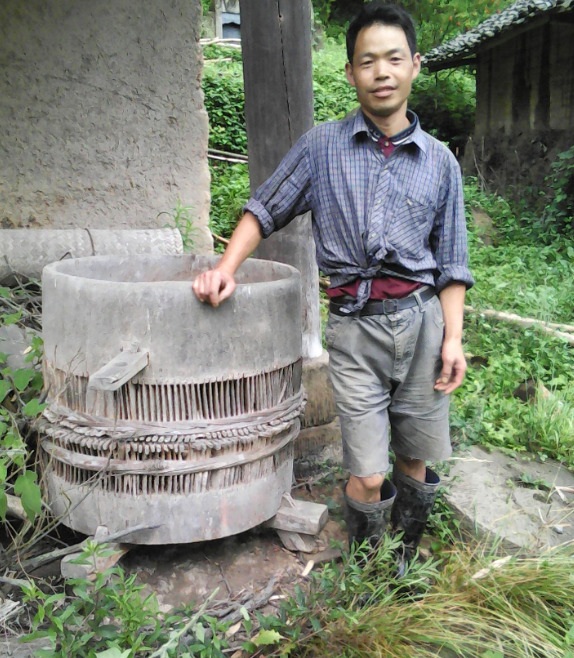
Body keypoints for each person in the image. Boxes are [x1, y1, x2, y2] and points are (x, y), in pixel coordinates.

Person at [193, 1, 473, 574]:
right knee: (368, 473)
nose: (382, 72)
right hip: (355, 329)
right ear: (349, 72)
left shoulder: (441, 162)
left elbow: (452, 263)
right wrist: (226, 267)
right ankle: (368, 570)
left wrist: (453, 339)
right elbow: (265, 207)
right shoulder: (322, 147)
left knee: (414, 460)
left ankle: (401, 562)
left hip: (423, 324)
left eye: (394, 58)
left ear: (415, 65)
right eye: (367, 61)